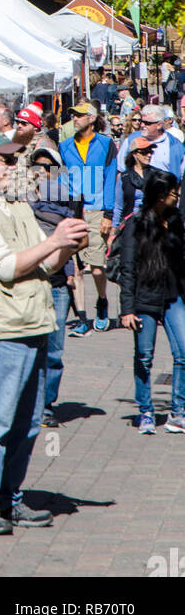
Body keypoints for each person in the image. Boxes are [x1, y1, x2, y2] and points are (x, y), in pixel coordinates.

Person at [0, 130, 87, 535]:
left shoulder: (16, 207)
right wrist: (55, 243)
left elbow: (43, 264)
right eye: (5, 160)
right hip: (2, 327)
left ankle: (9, 498)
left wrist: (68, 245)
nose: (14, 167)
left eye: (15, 160)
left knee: (27, 422)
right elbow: (5, 267)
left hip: (35, 321)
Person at [119, 171, 185, 434]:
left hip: (174, 295)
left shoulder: (177, 220)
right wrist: (127, 309)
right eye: (174, 192)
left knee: (183, 354)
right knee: (145, 356)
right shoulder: (136, 223)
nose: (178, 196)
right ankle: (146, 411)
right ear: (160, 195)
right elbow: (128, 268)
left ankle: (177, 412)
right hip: (145, 296)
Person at [29, 143, 79, 429]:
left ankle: (46, 405)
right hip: (28, 280)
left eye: (49, 167)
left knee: (54, 349)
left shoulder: (64, 200)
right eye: (38, 166)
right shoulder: (20, 199)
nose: (43, 172)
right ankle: (28, 403)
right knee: (29, 345)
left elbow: (71, 240)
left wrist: (71, 271)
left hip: (57, 282)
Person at [59, 102, 117, 335]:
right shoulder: (65, 146)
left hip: (96, 208)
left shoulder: (105, 144)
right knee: (74, 267)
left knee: (95, 266)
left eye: (80, 116)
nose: (75, 119)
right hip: (72, 210)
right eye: (73, 115)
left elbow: (111, 177)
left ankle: (102, 301)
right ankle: (82, 316)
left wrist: (109, 213)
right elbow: (60, 177)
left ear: (92, 119)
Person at [113, 136, 156, 228]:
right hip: (130, 225)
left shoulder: (156, 175)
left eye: (150, 151)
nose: (149, 155)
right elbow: (118, 206)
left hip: (152, 224)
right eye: (145, 152)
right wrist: (114, 229)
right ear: (135, 154)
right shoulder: (125, 177)